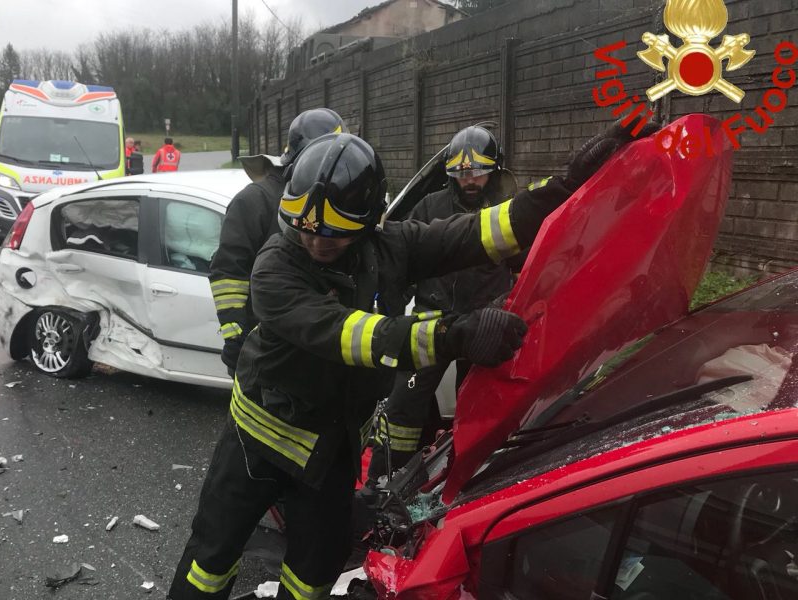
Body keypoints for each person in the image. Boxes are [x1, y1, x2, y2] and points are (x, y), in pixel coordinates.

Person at [169, 121, 654, 600]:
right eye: (305, 232)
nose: (316, 243)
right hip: (259, 444)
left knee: (313, 574)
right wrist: (454, 335)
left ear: (367, 225)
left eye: (334, 237)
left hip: (332, 447)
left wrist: (568, 185)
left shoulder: (388, 247)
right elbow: (353, 335)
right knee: (211, 559)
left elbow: (481, 232)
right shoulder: (275, 268)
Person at [366, 125, 518, 483]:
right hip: (431, 323)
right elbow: (403, 259)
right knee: (403, 407)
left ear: (493, 170)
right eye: (462, 173)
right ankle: (384, 479)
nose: (469, 180)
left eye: (477, 172)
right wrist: (391, 299)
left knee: (479, 406)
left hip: (484, 324)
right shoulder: (429, 207)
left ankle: (469, 477)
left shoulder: (506, 209)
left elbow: (524, 261)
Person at [208, 108, 347, 375]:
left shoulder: (325, 203)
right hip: (266, 345)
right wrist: (236, 336)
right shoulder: (253, 202)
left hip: (319, 341)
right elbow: (227, 274)